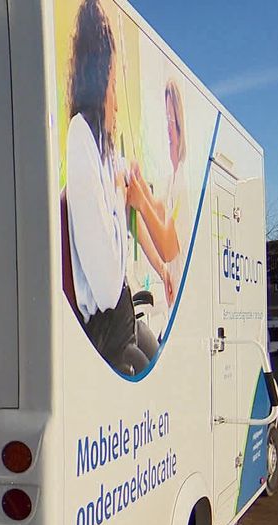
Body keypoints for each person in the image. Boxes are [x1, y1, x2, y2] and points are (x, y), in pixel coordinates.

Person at [64, 0, 153, 375]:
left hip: (119, 317)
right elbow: (106, 285)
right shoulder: (81, 137)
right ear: (100, 82)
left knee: (156, 352)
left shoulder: (101, 148)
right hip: (104, 330)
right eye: (115, 84)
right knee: (146, 362)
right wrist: (119, 198)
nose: (117, 101)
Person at [127, 78, 190, 310]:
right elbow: (156, 213)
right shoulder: (172, 179)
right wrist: (139, 184)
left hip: (181, 304)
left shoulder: (184, 181)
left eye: (171, 120)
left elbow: (168, 247)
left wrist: (141, 201)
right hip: (174, 297)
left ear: (180, 126)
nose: (168, 128)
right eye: (166, 119)